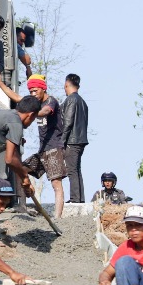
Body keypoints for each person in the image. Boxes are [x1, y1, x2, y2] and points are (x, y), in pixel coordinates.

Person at [0, 75, 67, 218]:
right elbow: (16, 98)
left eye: (35, 91)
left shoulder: (51, 101)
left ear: (43, 88)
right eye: (31, 92)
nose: (33, 94)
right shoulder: (35, 103)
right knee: (20, 170)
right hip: (42, 151)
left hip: (54, 148)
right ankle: (22, 206)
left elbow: (46, 111)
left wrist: (34, 113)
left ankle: (58, 217)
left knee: (56, 183)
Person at [61, 73, 89, 204]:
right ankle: (79, 198)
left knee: (72, 170)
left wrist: (62, 141)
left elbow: (68, 121)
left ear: (67, 85)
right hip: (81, 140)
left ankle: (75, 199)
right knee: (77, 169)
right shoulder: (83, 102)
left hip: (72, 140)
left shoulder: (71, 100)